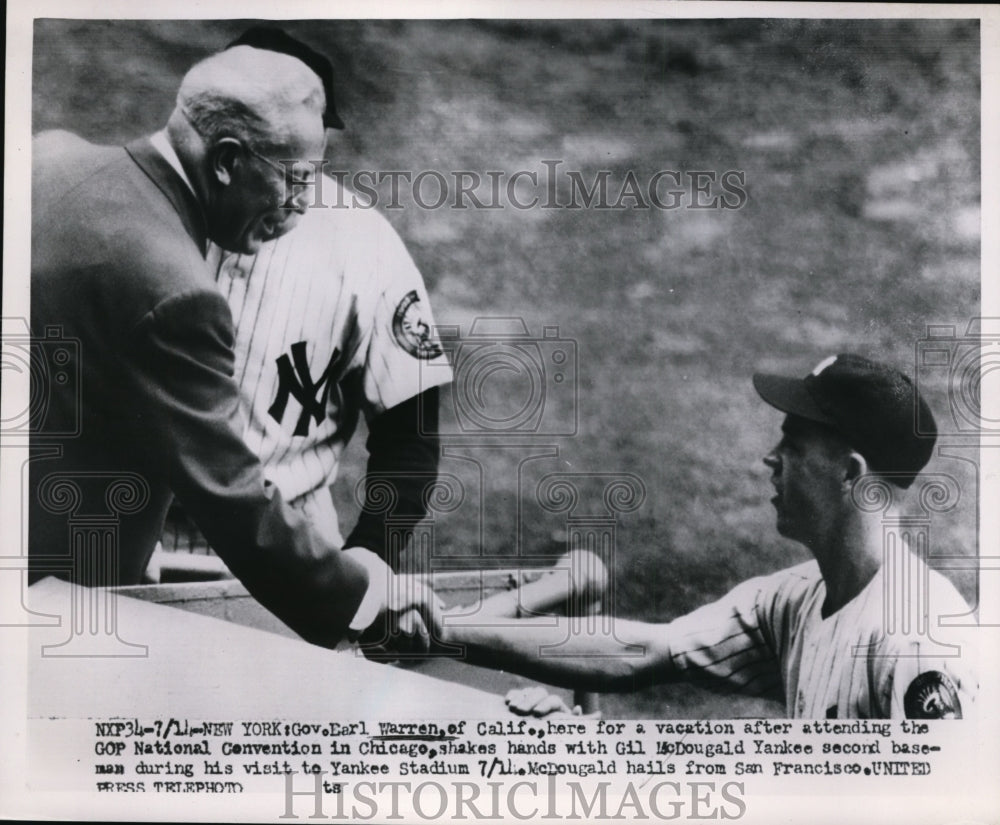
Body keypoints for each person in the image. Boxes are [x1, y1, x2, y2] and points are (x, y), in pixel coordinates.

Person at [29, 40, 437, 652]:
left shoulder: (46, 158)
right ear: (225, 160)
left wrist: (371, 555)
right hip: (88, 582)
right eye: (295, 178)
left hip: (259, 557)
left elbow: (413, 429)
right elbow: (230, 493)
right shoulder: (174, 292)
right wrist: (365, 594)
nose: (303, 203)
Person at [436, 354, 978, 719]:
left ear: (850, 474)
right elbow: (643, 650)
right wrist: (444, 630)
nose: (771, 457)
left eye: (793, 442)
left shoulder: (919, 641)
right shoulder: (797, 600)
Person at [159, 28, 453, 578]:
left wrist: (367, 564)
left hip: (293, 564)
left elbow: (409, 440)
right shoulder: (143, 212)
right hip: (140, 551)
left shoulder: (363, 243)